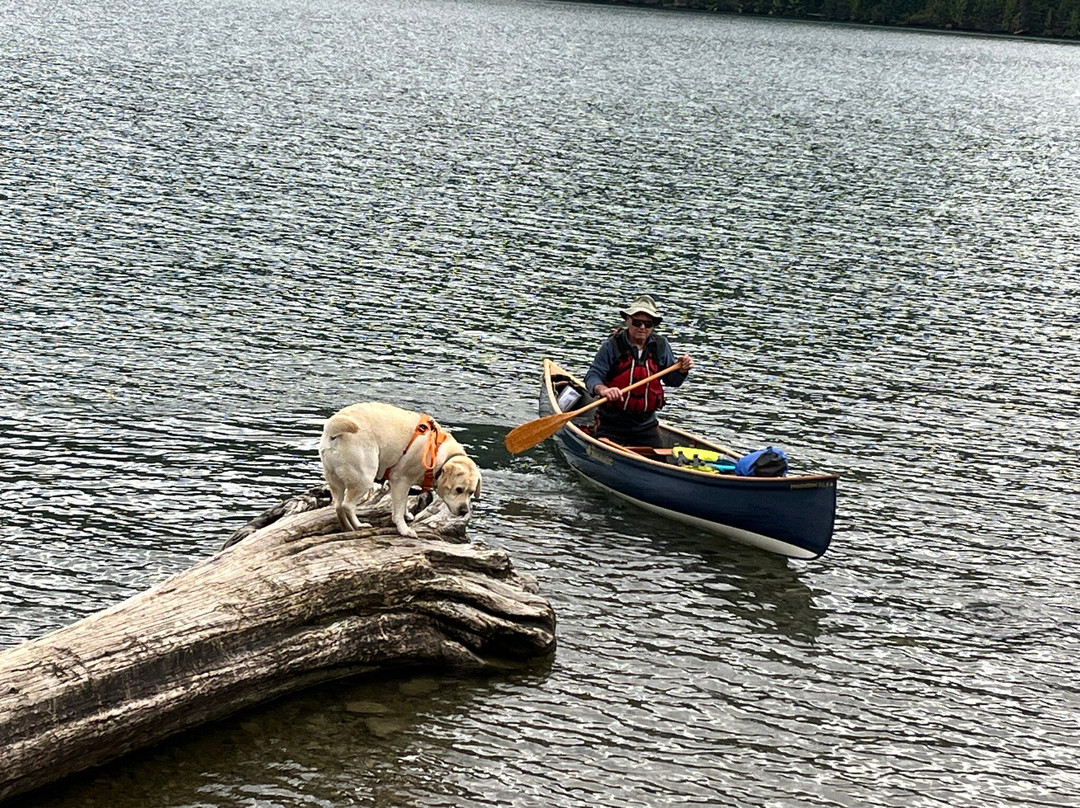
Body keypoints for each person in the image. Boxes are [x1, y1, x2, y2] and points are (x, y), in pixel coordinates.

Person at [583, 294, 694, 448]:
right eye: (637, 322)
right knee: (602, 446)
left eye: (648, 324)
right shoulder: (612, 345)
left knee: (659, 459)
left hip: (645, 424)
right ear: (628, 320)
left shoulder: (661, 346)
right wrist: (604, 390)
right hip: (612, 421)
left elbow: (672, 381)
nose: (642, 327)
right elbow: (593, 376)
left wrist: (682, 370)